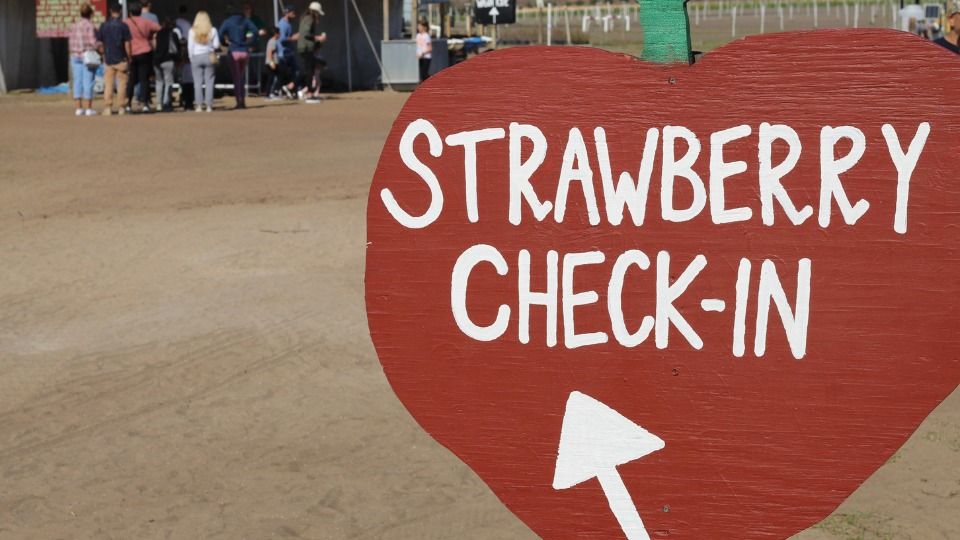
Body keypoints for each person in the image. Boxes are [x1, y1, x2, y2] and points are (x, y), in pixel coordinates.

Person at [219, 5, 258, 109]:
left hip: (233, 51)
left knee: (236, 78)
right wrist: (249, 42)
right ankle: (243, 101)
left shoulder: (227, 21)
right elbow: (255, 30)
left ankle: (239, 101)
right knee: (241, 77)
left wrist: (225, 43)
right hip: (244, 51)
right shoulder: (245, 20)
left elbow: (220, 34)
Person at [124, 2, 160, 113]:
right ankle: (145, 104)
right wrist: (151, 36)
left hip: (131, 53)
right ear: (140, 11)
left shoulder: (126, 22)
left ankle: (128, 104)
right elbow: (159, 28)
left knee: (131, 80)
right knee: (144, 79)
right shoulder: (147, 22)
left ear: (130, 12)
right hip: (145, 52)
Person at [97, 3, 132, 116]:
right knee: (122, 84)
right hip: (121, 58)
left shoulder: (104, 25)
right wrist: (129, 57)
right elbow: (127, 44)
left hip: (108, 58)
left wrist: (103, 52)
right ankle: (122, 107)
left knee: (108, 84)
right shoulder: (124, 26)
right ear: (121, 11)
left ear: (110, 11)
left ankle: (108, 107)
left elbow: (100, 43)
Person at [68, 3, 100, 116]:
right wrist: (99, 45)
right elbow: (92, 42)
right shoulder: (90, 26)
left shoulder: (74, 25)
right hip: (87, 56)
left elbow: (71, 41)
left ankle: (78, 107)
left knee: (77, 81)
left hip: (74, 55)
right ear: (90, 13)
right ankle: (88, 108)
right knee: (88, 82)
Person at [188, 11, 221, 113]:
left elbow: (190, 47)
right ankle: (209, 106)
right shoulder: (213, 30)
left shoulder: (192, 31)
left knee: (197, 83)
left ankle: (198, 106)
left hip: (196, 57)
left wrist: (191, 58)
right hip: (209, 56)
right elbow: (216, 45)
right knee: (209, 82)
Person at [297, 1, 327, 103]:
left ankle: (308, 92)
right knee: (309, 70)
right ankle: (309, 94)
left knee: (308, 70)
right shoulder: (309, 19)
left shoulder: (305, 18)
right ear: (315, 11)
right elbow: (306, 33)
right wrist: (317, 37)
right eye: (318, 12)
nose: (318, 14)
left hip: (304, 47)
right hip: (306, 47)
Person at [154, 18, 181, 112]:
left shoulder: (158, 34)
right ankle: (166, 103)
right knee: (168, 82)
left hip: (157, 60)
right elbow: (177, 49)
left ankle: (158, 104)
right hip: (169, 60)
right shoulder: (173, 34)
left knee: (159, 82)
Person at [277, 6, 299, 99]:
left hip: (289, 52)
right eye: (292, 12)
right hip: (283, 53)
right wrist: (293, 38)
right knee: (286, 74)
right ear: (287, 13)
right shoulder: (282, 24)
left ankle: (289, 90)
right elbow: (282, 39)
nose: (294, 14)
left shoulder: (288, 24)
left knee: (294, 73)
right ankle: (280, 90)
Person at [175, 5, 194, 110]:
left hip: (177, 51)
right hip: (185, 51)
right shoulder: (187, 24)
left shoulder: (175, 22)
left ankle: (181, 94)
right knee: (186, 75)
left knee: (179, 75)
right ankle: (183, 96)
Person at [265, 26, 283, 99]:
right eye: (279, 33)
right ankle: (269, 94)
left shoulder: (273, 41)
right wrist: (271, 62)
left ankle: (274, 92)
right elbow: (270, 52)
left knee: (278, 77)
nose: (280, 34)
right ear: (275, 34)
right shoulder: (272, 41)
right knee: (271, 78)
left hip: (274, 62)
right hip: (271, 63)